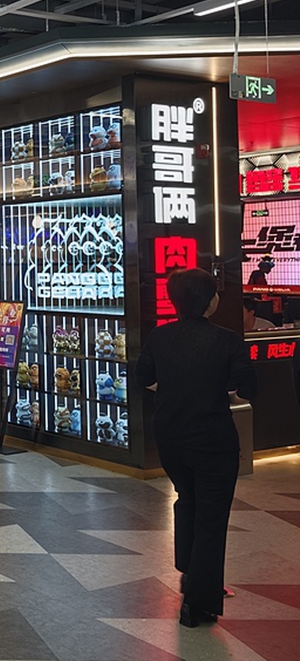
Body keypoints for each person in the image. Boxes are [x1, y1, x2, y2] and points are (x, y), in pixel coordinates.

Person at [136, 269, 256, 628]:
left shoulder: (160, 336)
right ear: (209, 300)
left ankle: (190, 571)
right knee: (212, 516)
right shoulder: (227, 340)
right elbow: (247, 388)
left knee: (187, 498)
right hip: (212, 439)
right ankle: (197, 604)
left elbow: (144, 378)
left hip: (169, 438)